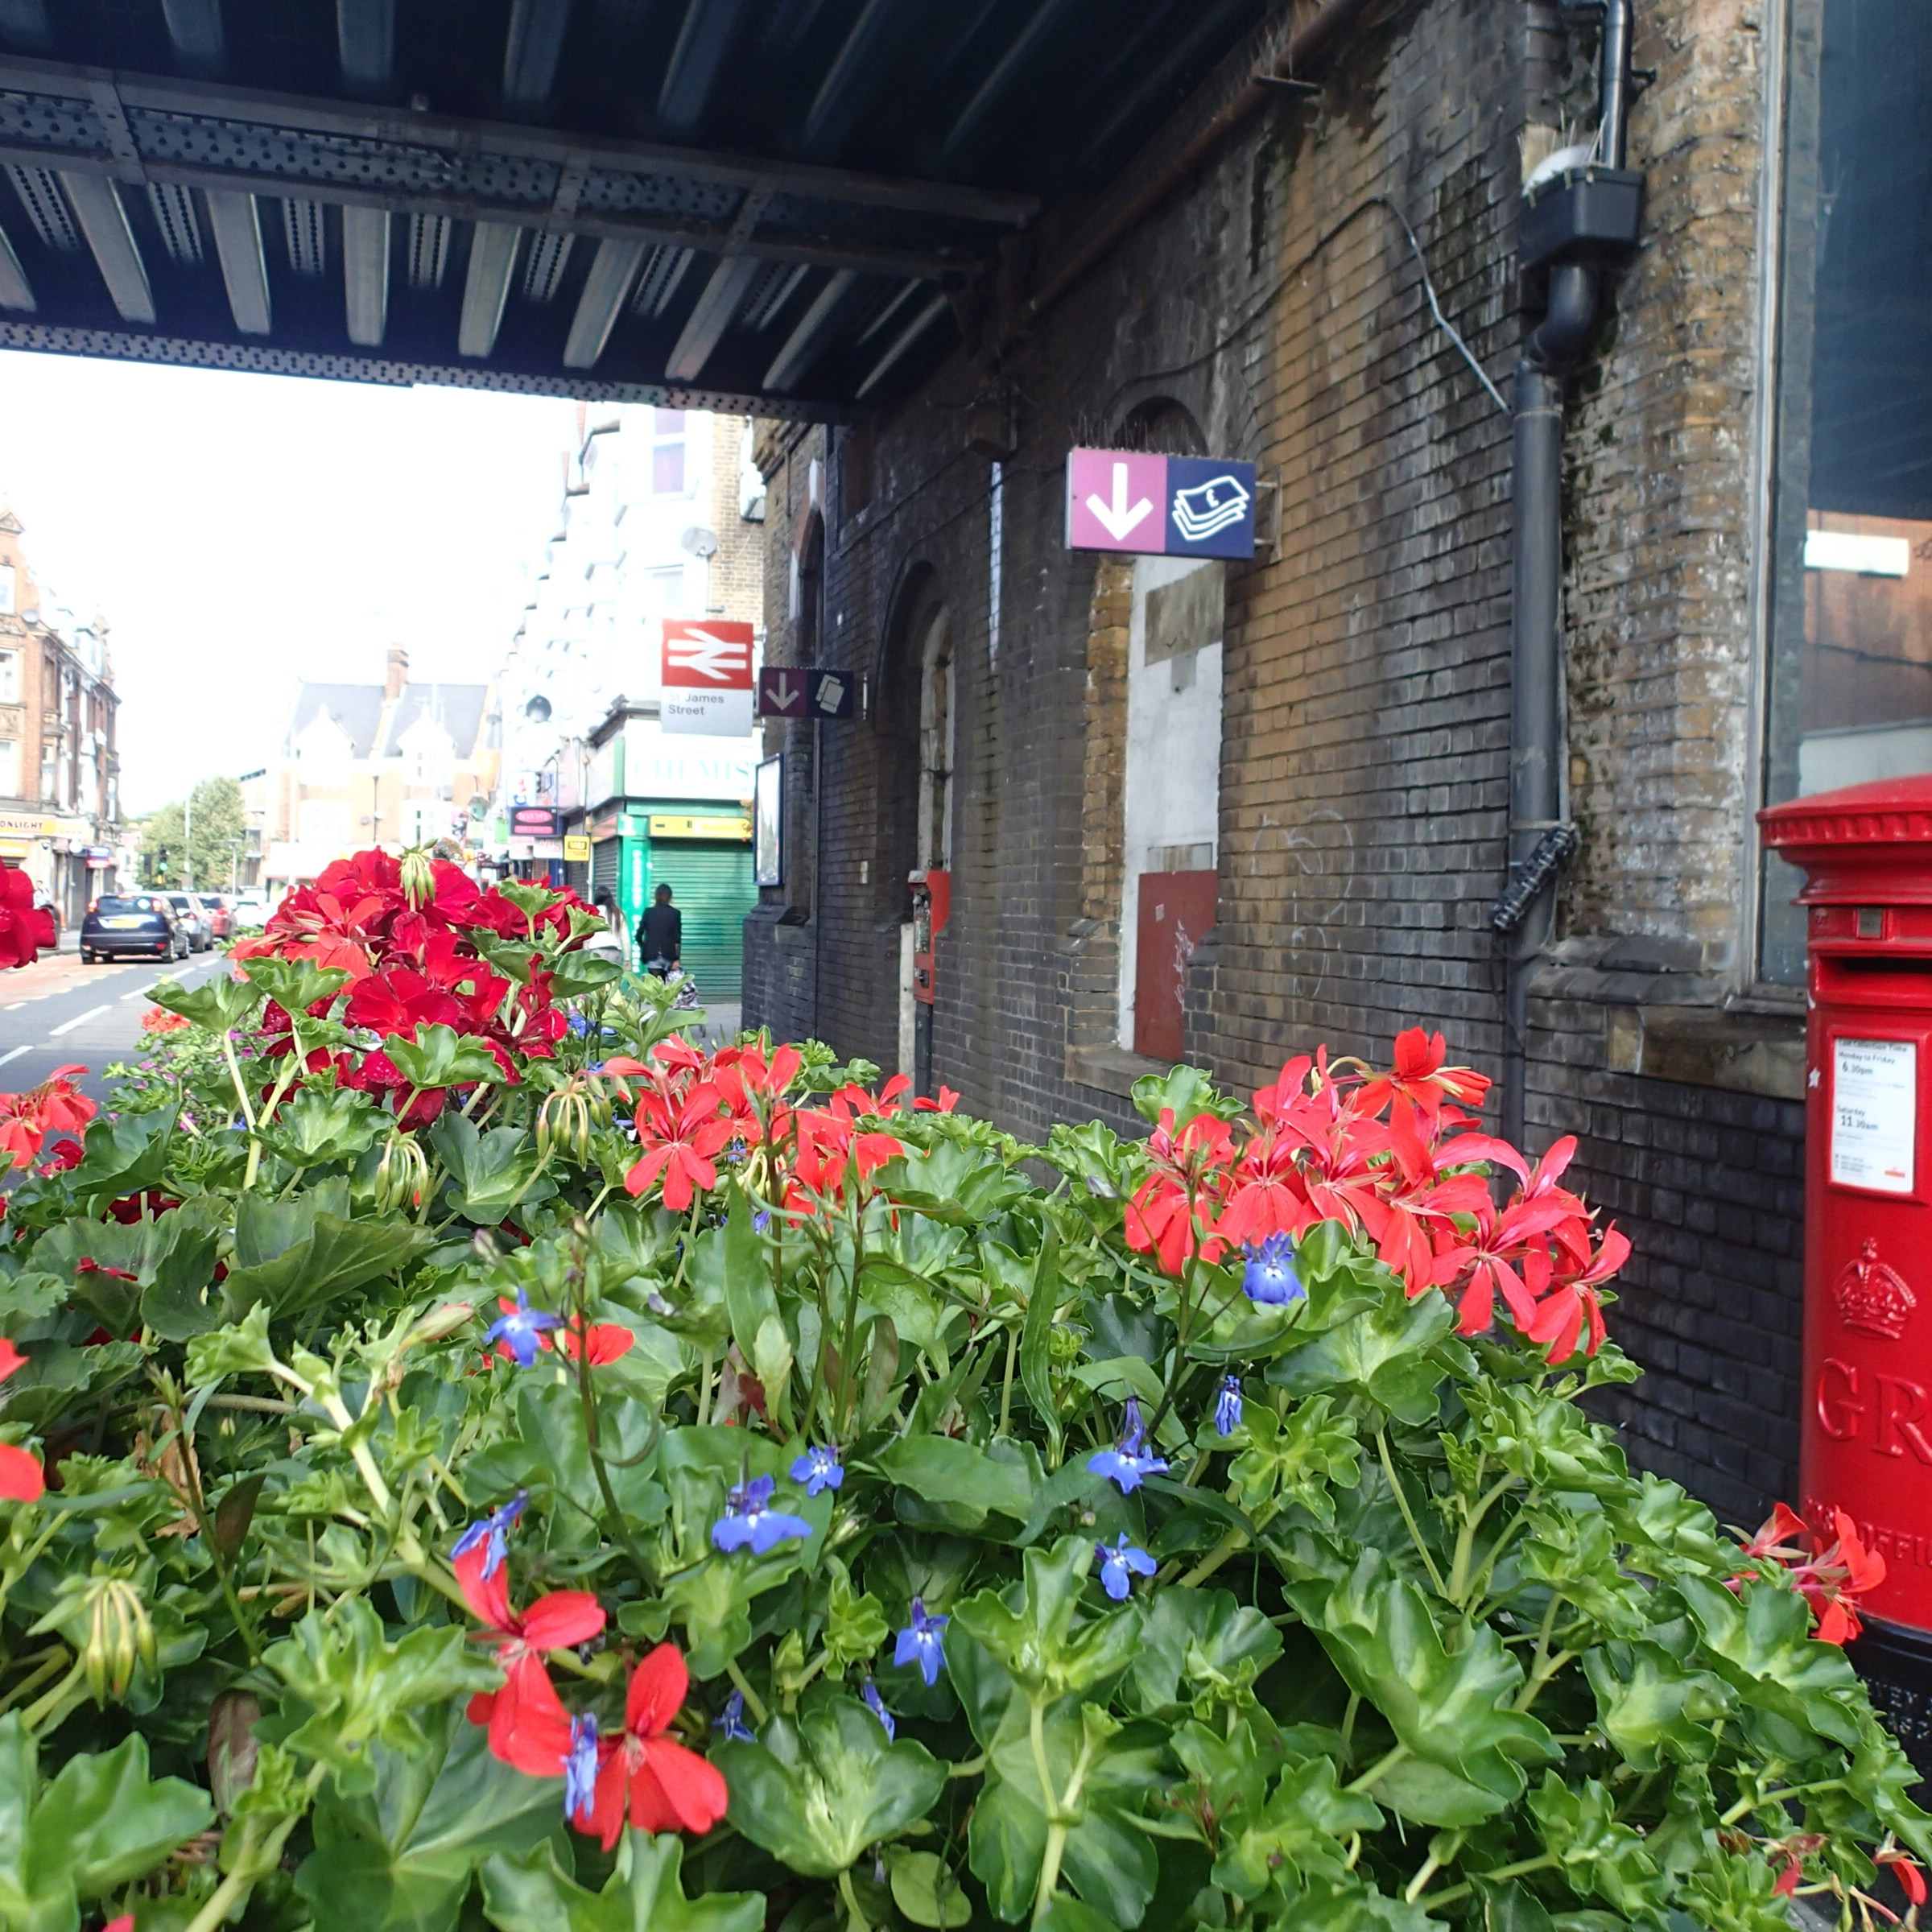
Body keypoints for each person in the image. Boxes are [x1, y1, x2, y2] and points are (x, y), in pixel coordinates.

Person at [638, 882, 681, 980]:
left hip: (651, 955)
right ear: (670, 897)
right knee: (667, 984)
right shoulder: (675, 913)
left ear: (656, 896)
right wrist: (677, 959)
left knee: (654, 984)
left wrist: (645, 947)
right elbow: (677, 939)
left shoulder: (648, 912)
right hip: (668, 956)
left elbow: (638, 936)